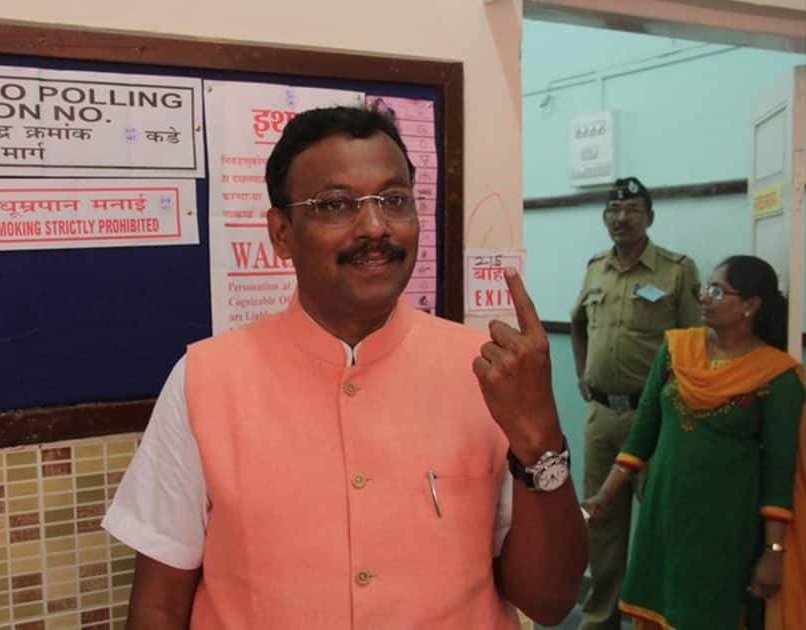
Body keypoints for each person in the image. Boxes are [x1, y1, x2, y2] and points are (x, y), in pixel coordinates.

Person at [102, 105, 587, 629]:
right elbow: (159, 605)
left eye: (395, 200)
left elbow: (550, 601)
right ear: (282, 233)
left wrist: (541, 438)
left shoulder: (486, 374)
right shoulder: (206, 380)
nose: (375, 226)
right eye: (336, 205)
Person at [581, 255, 805, 630]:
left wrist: (773, 552)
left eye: (718, 291)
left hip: (726, 527)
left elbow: (779, 470)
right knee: (658, 609)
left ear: (751, 305)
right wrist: (606, 494)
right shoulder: (676, 351)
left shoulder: (776, 376)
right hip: (665, 515)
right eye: (706, 288)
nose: (705, 297)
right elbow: (643, 432)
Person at [569, 176, 701, 630]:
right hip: (602, 417)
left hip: (657, 419)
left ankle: (656, 617)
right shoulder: (595, 267)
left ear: (649, 216)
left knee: (661, 523)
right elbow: (578, 324)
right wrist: (583, 376)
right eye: (613, 211)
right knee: (600, 522)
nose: (621, 219)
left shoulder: (676, 270)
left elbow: (693, 345)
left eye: (632, 211)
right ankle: (599, 618)